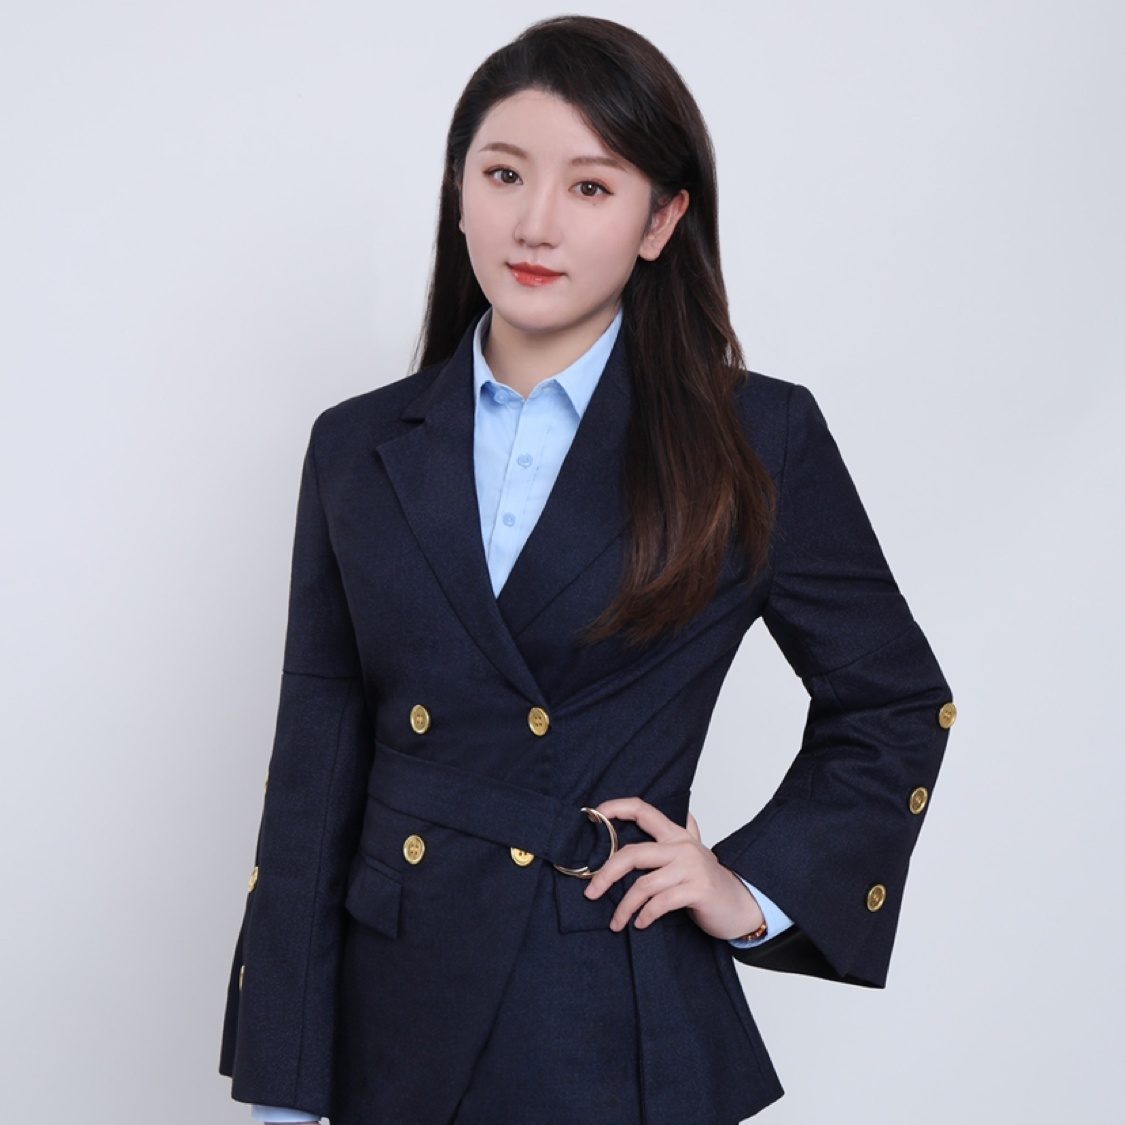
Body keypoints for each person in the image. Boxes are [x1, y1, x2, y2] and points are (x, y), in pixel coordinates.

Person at [219, 15, 953, 1125]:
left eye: (592, 187)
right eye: (503, 173)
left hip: (609, 1002)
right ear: (457, 192)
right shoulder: (356, 446)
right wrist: (285, 1085)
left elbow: (893, 698)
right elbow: (314, 766)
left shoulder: (756, 437)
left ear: (661, 221)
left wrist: (749, 888)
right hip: (393, 1011)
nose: (536, 222)